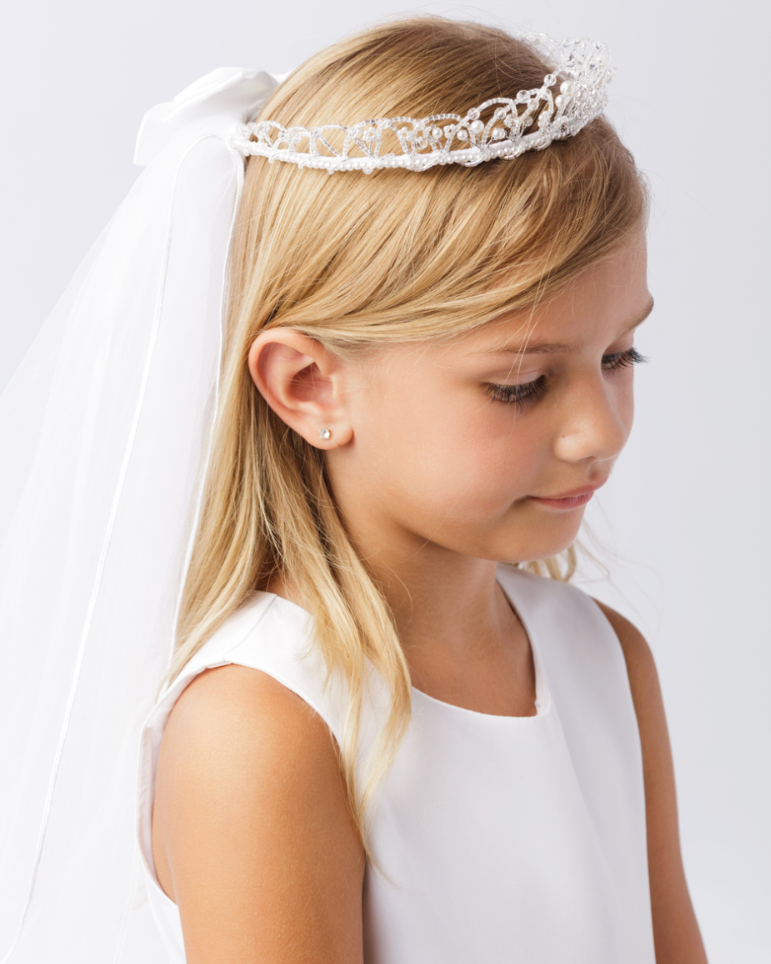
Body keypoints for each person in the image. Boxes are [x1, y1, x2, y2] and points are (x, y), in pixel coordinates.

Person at [0, 14, 708, 964]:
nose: (600, 428)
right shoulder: (265, 728)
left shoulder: (605, 660)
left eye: (621, 354)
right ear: (308, 386)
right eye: (521, 384)